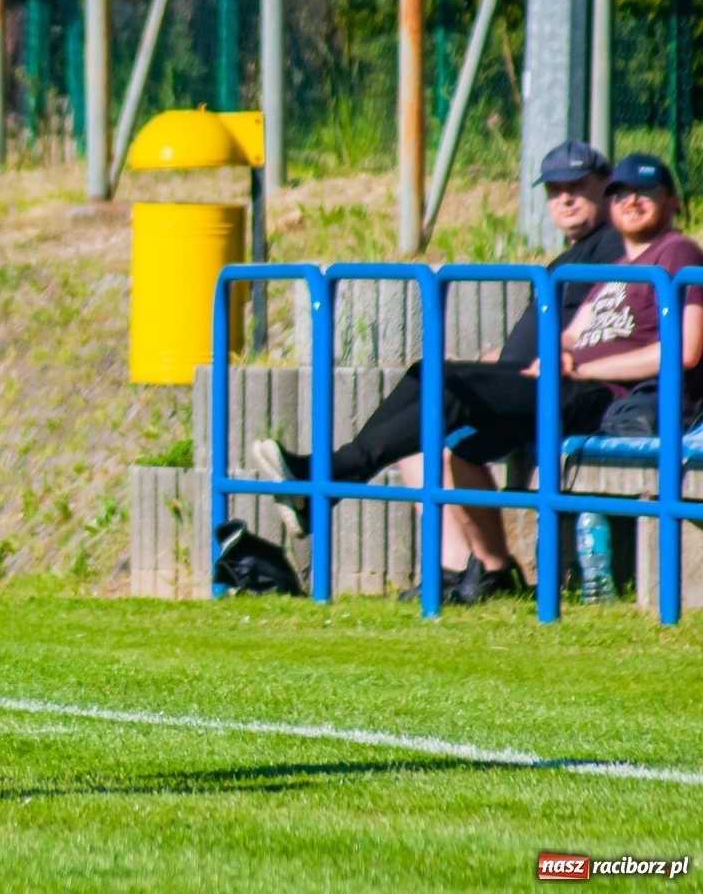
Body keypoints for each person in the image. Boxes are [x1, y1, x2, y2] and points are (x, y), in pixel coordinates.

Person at [255, 153, 703, 603]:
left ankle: (331, 476)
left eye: (644, 192)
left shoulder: (678, 252)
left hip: (607, 395)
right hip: (567, 382)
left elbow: (685, 351)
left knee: (455, 393)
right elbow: (573, 333)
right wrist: (555, 353)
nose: (631, 201)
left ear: (671, 202)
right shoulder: (616, 272)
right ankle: (492, 571)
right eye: (621, 193)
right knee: (435, 382)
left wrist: (581, 367)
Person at [389, 140, 625, 603]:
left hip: (578, 392)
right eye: (555, 190)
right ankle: (456, 569)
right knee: (414, 438)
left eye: (577, 186)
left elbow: (613, 326)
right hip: (532, 381)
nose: (565, 199)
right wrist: (498, 360)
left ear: (607, 187)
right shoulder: (571, 256)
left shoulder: (618, 245)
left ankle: (493, 569)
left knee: (450, 439)